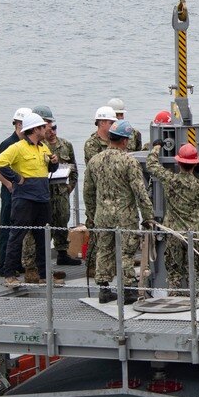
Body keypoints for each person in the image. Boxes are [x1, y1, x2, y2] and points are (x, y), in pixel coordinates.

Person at [89, 121, 153, 302]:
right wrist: (148, 216)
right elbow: (140, 192)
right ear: (125, 141)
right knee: (126, 252)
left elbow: (88, 191)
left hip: (102, 215)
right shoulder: (129, 161)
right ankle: (129, 290)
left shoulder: (95, 160)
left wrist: (92, 214)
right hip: (124, 215)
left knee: (104, 250)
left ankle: (104, 289)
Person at [0, 111, 55, 284]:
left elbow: (49, 170)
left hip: (42, 198)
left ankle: (44, 275)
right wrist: (16, 178)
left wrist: (54, 163)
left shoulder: (43, 147)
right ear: (34, 129)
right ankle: (9, 274)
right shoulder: (18, 147)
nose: (46, 129)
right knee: (17, 235)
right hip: (25, 199)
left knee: (43, 237)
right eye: (42, 127)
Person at [144, 140, 199, 294]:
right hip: (194, 235)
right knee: (194, 272)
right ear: (195, 164)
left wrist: (157, 147)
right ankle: (194, 302)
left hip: (175, 233)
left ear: (178, 162)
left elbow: (151, 165)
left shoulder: (171, 180)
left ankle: (174, 300)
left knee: (174, 272)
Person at [36, 107, 79, 267]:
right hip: (45, 192)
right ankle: (41, 257)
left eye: (54, 128)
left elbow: (73, 169)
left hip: (61, 192)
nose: (52, 131)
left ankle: (62, 253)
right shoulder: (40, 146)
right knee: (45, 224)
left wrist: (70, 187)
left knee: (62, 220)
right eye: (49, 128)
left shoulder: (65, 145)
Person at [80, 105, 116, 274]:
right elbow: (96, 167)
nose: (113, 125)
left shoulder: (114, 141)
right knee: (94, 225)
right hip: (96, 192)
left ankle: (110, 262)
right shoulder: (92, 144)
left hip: (113, 193)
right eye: (110, 122)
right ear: (101, 122)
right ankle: (92, 264)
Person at [0, 107, 31, 260]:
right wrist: (8, 184)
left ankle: (17, 262)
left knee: (20, 228)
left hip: (23, 192)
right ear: (17, 124)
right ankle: (3, 264)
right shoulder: (8, 143)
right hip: (10, 192)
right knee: (6, 227)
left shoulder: (27, 144)